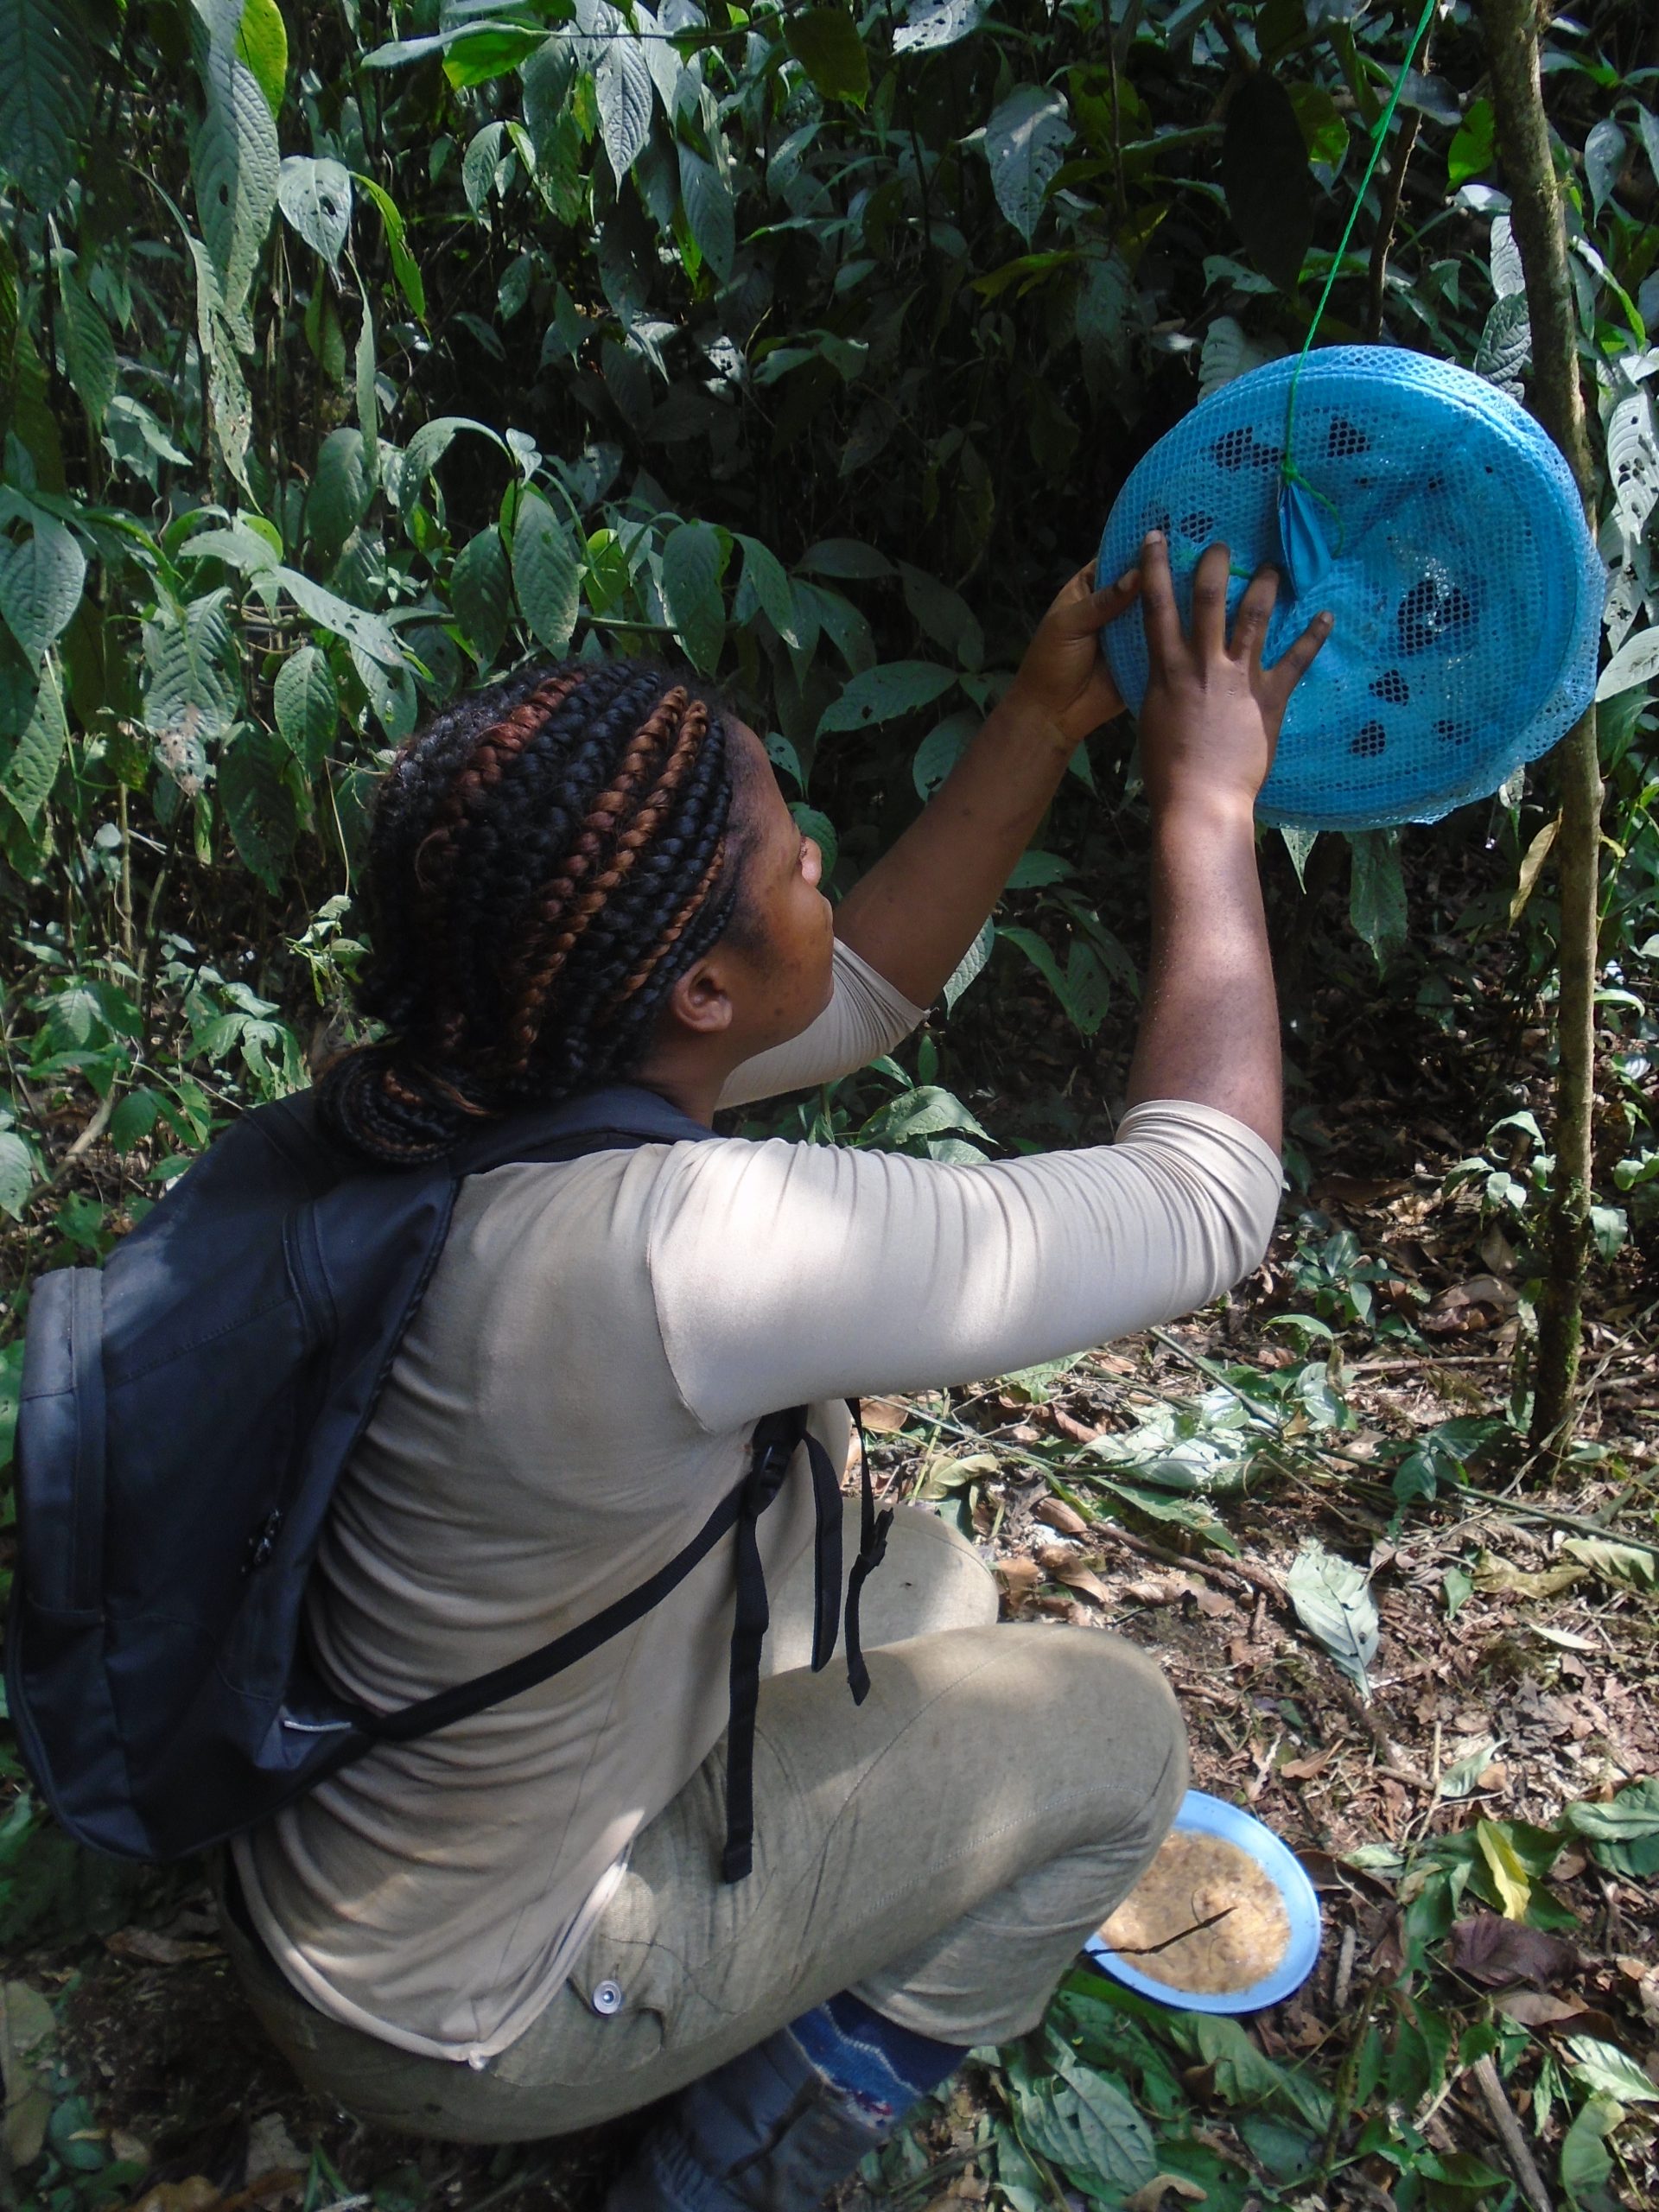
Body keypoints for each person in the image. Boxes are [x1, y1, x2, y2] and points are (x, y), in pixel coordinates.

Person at [214, 533, 1331, 2210]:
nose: (823, 859)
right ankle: (731, 2158)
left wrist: (1036, 720)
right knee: (1118, 1739)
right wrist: (1211, 803)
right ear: (696, 987)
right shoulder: (683, 1249)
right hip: (456, 2006)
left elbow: (859, 988)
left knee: (933, 1576)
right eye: (797, 855)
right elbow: (1208, 1199)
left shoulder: (442, 1080)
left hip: (331, 1848)